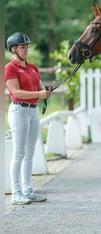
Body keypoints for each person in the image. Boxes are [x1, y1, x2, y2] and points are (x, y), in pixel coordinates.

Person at [5, 32, 52, 205]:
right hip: (19, 111)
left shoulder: (33, 67)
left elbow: (39, 87)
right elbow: (16, 92)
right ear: (13, 49)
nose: (26, 49)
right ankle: (16, 193)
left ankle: (28, 190)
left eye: (27, 46)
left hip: (33, 111)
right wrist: (39, 93)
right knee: (19, 153)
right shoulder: (10, 68)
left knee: (30, 153)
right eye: (22, 47)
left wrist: (45, 92)